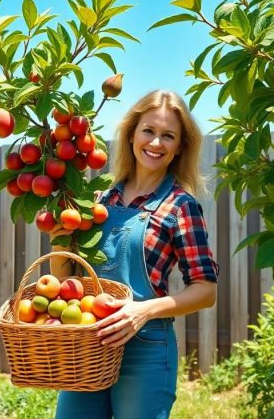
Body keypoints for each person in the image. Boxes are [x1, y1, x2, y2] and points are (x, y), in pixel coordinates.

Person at [47, 90, 220, 419]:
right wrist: (59, 242)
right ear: (131, 135)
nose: (156, 143)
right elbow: (66, 280)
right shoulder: (97, 199)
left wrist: (141, 311)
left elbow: (206, 290)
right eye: (149, 131)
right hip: (88, 343)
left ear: (180, 146)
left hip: (146, 347)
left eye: (168, 136)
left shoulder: (181, 206)